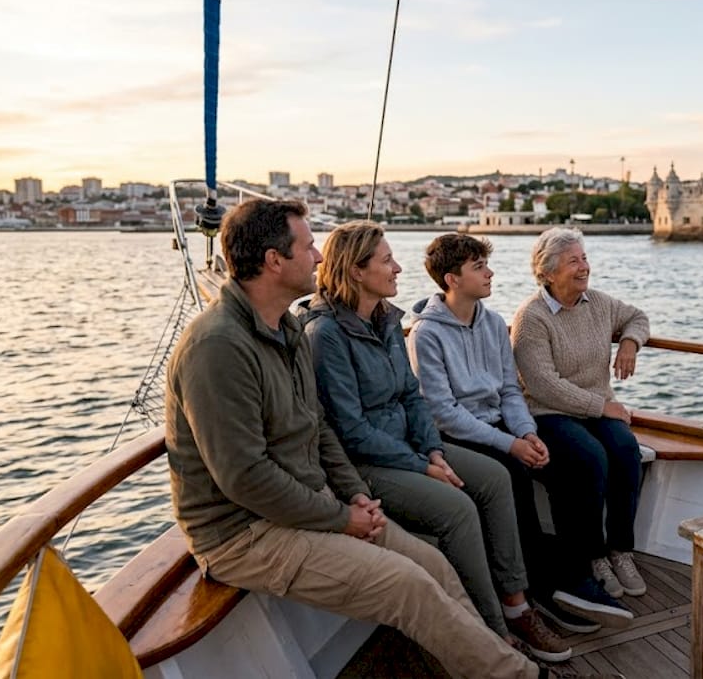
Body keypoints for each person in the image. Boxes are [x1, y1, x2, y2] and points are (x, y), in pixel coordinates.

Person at [164, 199, 538, 678]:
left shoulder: (286, 330)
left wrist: (355, 494)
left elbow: (318, 427)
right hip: (244, 533)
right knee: (410, 584)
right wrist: (342, 517)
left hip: (310, 500)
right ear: (274, 261)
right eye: (308, 246)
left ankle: (489, 657)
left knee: (432, 566)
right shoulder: (217, 347)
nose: (319, 257)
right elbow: (245, 478)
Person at [299, 221, 569, 663]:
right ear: (356, 270)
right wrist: (422, 464)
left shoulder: (386, 319)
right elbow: (349, 430)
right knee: (458, 508)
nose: (398, 267)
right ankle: (492, 631)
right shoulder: (326, 335)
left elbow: (412, 396)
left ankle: (517, 604)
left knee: (497, 478)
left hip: (412, 447)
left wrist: (436, 451)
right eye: (387, 260)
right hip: (367, 464)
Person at [407, 232, 633, 634]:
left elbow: (511, 390)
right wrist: (510, 443)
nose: (491, 273)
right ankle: (539, 590)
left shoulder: (493, 324)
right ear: (452, 280)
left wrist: (528, 433)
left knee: (572, 461)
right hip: (459, 435)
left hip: (501, 426)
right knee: (511, 475)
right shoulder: (427, 334)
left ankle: (577, 571)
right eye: (479, 268)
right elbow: (444, 413)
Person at [510, 227, 650, 604]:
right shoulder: (532, 318)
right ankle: (593, 557)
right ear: (549, 272)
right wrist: (602, 406)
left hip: (593, 406)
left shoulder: (598, 304)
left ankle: (620, 550)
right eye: (573, 261)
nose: (584, 267)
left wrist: (630, 344)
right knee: (589, 458)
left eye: (584, 258)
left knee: (625, 449)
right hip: (548, 413)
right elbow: (543, 385)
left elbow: (637, 316)